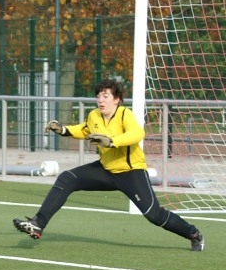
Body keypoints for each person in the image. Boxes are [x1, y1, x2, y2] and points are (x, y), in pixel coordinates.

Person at [12, 78, 205, 252]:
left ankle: (194, 234)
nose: (101, 100)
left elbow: (137, 134)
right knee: (67, 178)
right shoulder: (94, 115)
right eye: (98, 96)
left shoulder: (124, 114)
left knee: (154, 215)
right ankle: (38, 223)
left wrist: (112, 141)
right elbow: (83, 130)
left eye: (106, 96)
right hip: (105, 170)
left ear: (117, 99)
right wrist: (63, 129)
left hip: (131, 172)